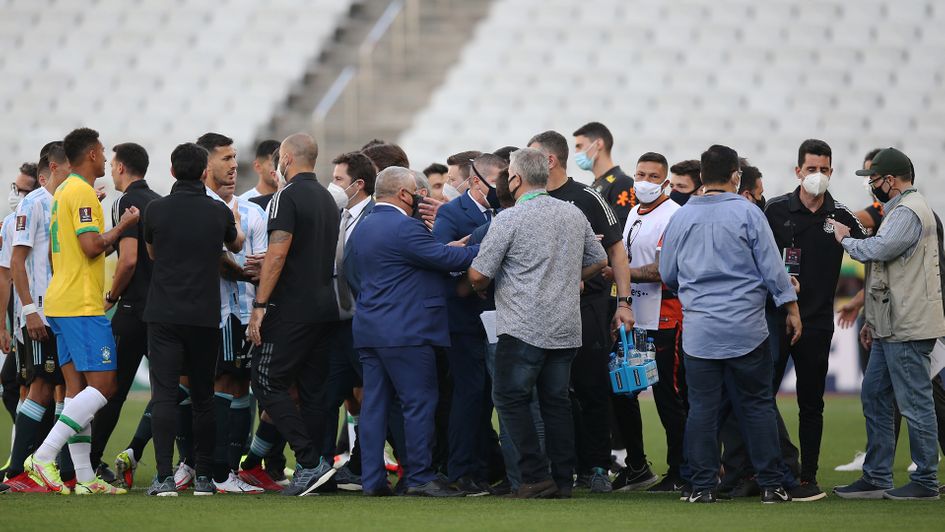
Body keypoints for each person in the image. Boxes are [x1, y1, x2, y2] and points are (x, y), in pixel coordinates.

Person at [659, 144, 801, 504]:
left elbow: (668, 273)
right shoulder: (749, 213)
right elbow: (773, 269)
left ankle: (702, 487)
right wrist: (791, 308)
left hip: (700, 331)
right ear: (736, 176)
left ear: (701, 177)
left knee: (702, 410)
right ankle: (771, 484)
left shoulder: (682, 217)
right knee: (757, 406)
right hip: (746, 328)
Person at [468, 147, 608, 498]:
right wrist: (569, 278)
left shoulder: (509, 219)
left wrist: (480, 282)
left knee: (509, 398)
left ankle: (533, 475)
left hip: (522, 326)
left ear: (515, 179)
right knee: (556, 403)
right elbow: (599, 259)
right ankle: (562, 480)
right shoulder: (572, 213)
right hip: (565, 326)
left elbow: (478, 274)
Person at [346, 166, 478, 497]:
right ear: (404, 194)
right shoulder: (406, 227)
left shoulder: (362, 226)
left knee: (374, 407)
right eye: (416, 193)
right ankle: (420, 476)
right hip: (407, 332)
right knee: (418, 403)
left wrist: (449, 250)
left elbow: (359, 271)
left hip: (370, 329)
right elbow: (445, 259)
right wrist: (481, 247)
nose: (420, 198)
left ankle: (372, 479)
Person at [28, 127, 139, 495]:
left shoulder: (63, 192)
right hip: (81, 304)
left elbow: (61, 252)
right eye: (103, 151)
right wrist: (123, 226)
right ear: (91, 154)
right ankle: (43, 456)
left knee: (77, 393)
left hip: (60, 301)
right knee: (105, 385)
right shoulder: (81, 192)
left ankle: (86, 478)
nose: (106, 158)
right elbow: (92, 246)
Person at [831, 147, 945, 501]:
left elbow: (878, 251)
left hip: (907, 324)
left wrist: (844, 238)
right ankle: (877, 475)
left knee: (915, 402)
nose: (872, 186)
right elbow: (890, 271)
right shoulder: (905, 208)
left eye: (875, 179)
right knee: (876, 393)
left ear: (891, 180)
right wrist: (873, 321)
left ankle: (925, 480)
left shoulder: (908, 211)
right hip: (892, 323)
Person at [527, 130, 638, 493]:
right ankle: (565, 465)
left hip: (587, 306)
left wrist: (623, 303)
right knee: (553, 391)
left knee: (592, 387)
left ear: (549, 160)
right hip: (543, 308)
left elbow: (616, 252)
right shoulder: (529, 200)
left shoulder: (587, 197)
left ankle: (597, 466)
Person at [760, 139, 866, 501]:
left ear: (831, 172)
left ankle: (807, 477)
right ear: (797, 171)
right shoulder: (774, 210)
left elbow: (876, 255)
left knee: (811, 404)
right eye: (811, 169)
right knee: (760, 398)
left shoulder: (842, 216)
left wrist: (862, 299)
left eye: (823, 169)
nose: (817, 175)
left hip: (818, 322)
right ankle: (764, 471)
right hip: (774, 320)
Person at [142, 142, 243, 496]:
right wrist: (236, 223)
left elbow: (152, 253)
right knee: (204, 397)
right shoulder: (218, 211)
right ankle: (203, 477)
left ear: (172, 171)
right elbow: (237, 244)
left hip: (164, 313)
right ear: (204, 172)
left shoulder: (155, 209)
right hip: (204, 315)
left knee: (165, 395)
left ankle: (164, 477)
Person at [246, 133, 340, 497]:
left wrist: (259, 306)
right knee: (313, 391)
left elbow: (279, 252)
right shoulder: (327, 199)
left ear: (285, 159)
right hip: (324, 307)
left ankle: (309, 462)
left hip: (291, 308)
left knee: (266, 380)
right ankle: (317, 470)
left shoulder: (286, 196)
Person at [85, 142, 161, 489]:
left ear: (120, 168)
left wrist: (112, 296)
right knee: (170, 389)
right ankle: (171, 464)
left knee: (110, 389)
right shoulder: (159, 201)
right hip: (160, 310)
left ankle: (90, 460)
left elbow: (128, 260)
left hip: (131, 310)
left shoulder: (124, 202)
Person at [197, 132, 268, 494]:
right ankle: (216, 471)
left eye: (234, 158)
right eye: (225, 158)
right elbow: (220, 260)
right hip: (216, 312)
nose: (233, 165)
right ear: (205, 164)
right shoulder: (202, 209)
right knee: (219, 385)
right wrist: (243, 271)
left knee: (240, 385)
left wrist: (259, 299)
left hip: (245, 313)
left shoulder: (253, 211)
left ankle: (230, 468)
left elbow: (263, 263)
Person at [431, 152, 504, 495]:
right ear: (477, 181)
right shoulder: (451, 213)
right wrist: (475, 262)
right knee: (469, 394)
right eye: (498, 181)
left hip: (499, 318)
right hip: (463, 319)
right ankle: (461, 470)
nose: (504, 188)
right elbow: (442, 257)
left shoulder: (504, 212)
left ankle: (483, 469)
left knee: (489, 396)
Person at [4, 143, 71, 492]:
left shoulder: (64, 201)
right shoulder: (33, 204)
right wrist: (29, 310)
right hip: (42, 313)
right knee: (41, 386)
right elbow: (16, 262)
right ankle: (19, 470)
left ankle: (56, 466)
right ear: (56, 167)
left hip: (64, 310)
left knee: (64, 387)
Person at [622, 152, 688, 492]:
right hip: (635, 316)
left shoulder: (674, 215)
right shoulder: (634, 210)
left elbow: (662, 270)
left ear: (665, 182)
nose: (644, 182)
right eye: (640, 174)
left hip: (665, 316)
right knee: (625, 390)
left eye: (652, 176)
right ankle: (637, 465)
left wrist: (618, 273)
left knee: (668, 396)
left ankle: (681, 470)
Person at [0, 162, 41, 494]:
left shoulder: (36, 214)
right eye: (15, 188)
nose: (16, 195)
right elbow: (5, 275)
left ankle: (32, 459)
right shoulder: (10, 223)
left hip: (40, 315)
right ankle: (26, 459)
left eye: (23, 189)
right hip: (22, 321)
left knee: (35, 386)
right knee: (19, 385)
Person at [572, 122, 636, 226]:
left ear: (598, 144)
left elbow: (622, 229)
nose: (576, 152)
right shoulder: (596, 185)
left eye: (579, 146)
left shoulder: (623, 183)